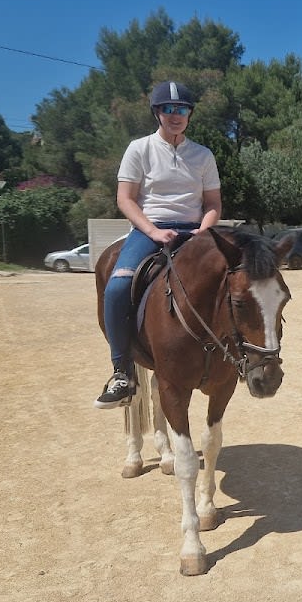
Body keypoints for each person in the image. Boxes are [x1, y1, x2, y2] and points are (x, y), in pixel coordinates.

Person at [95, 81, 222, 407]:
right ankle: (121, 371)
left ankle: (236, 356)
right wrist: (152, 231)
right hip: (149, 230)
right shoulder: (139, 149)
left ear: (189, 115)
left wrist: (202, 232)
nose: (175, 115)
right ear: (158, 113)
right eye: (168, 109)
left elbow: (212, 204)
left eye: (181, 109)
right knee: (117, 288)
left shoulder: (203, 155)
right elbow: (125, 199)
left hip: (195, 232)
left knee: (237, 280)